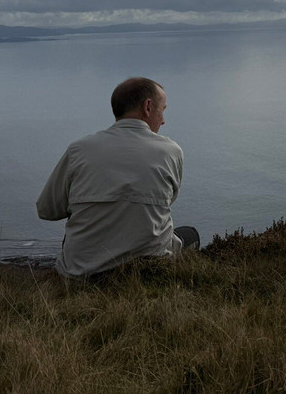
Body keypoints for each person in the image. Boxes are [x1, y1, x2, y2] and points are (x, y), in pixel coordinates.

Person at [37, 77, 199, 279]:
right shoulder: (170, 151)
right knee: (191, 234)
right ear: (148, 107)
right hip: (149, 270)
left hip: (81, 275)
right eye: (162, 109)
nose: (163, 119)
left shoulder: (79, 149)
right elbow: (167, 201)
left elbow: (46, 210)